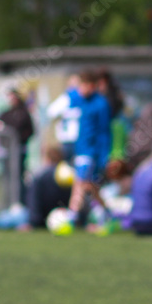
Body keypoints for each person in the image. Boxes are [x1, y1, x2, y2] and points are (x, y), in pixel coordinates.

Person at [69, 69, 112, 225]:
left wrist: (103, 156)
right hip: (80, 150)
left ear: (92, 86)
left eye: (83, 85)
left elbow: (104, 132)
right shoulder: (81, 100)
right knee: (89, 185)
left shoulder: (101, 104)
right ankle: (106, 213)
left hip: (91, 152)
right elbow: (68, 96)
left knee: (80, 182)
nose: (80, 88)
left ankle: (71, 216)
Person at [0, 87, 35, 205]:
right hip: (7, 152)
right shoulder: (5, 113)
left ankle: (20, 202)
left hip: (19, 152)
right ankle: (7, 201)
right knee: (7, 178)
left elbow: (28, 131)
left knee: (18, 178)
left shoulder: (23, 113)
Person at [46, 74, 81, 163]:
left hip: (78, 139)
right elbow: (51, 111)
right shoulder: (66, 98)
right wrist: (66, 114)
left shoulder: (84, 99)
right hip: (67, 139)